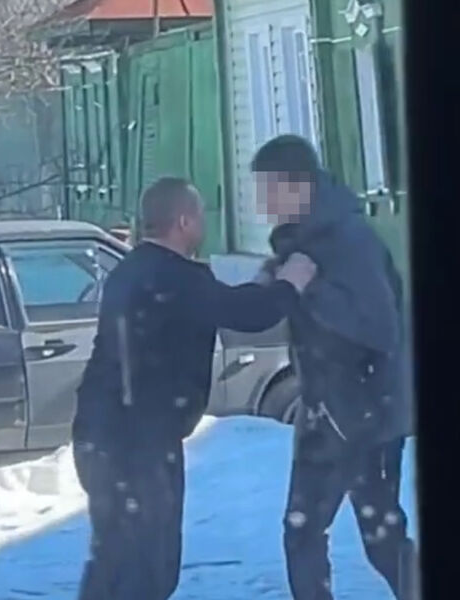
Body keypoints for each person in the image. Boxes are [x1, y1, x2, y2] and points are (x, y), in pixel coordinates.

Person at [72, 176, 316, 600]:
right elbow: (247, 315)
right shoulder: (177, 277)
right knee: (149, 570)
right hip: (141, 444)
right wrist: (292, 281)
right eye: (200, 216)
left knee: (114, 557)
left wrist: (265, 283)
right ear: (183, 222)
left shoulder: (132, 270)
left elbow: (218, 301)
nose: (204, 224)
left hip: (101, 434)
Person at [252, 135, 417, 600]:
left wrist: (309, 287)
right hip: (325, 411)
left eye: (268, 191)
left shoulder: (349, 241)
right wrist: (278, 280)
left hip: (365, 415)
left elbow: (379, 328)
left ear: (300, 187)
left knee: (378, 541)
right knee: (306, 533)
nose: (261, 205)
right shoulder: (305, 239)